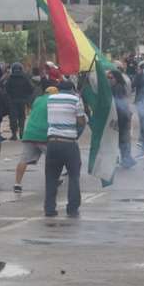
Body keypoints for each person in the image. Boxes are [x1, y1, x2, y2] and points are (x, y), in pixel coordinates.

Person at [44, 80, 86, 217]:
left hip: (52, 142)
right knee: (74, 176)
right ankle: (72, 208)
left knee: (51, 177)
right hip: (68, 143)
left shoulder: (50, 99)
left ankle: (49, 209)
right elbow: (81, 121)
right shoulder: (76, 99)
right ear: (72, 89)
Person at [14, 86, 58, 194]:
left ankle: (17, 184)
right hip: (44, 134)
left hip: (29, 133)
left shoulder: (38, 100)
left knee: (23, 160)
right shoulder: (53, 101)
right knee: (53, 160)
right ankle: (53, 181)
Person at [108, 68, 136, 168]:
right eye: (108, 77)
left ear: (116, 78)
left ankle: (127, 160)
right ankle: (126, 159)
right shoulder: (116, 86)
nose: (109, 79)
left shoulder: (118, 87)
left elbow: (118, 104)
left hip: (121, 118)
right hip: (121, 117)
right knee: (121, 139)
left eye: (111, 77)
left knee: (122, 139)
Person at [4, 62, 33, 141]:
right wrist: (26, 96)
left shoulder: (10, 78)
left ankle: (14, 134)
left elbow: (6, 89)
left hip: (13, 101)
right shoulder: (25, 77)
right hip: (22, 101)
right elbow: (31, 88)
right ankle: (21, 132)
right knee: (22, 117)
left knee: (13, 118)